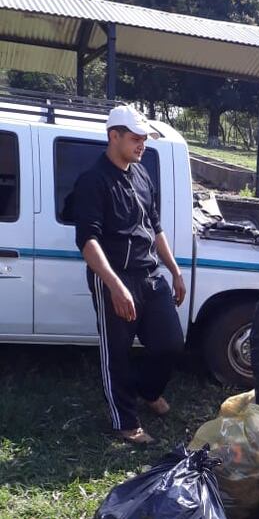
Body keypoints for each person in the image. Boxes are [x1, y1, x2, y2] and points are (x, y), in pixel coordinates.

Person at [73, 105, 186, 446]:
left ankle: (149, 391)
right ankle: (125, 421)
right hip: (114, 279)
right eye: (135, 139)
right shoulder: (93, 181)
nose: (142, 146)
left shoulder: (141, 174)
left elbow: (155, 226)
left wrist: (175, 271)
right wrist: (115, 286)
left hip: (150, 275)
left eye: (145, 139)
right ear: (114, 136)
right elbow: (87, 241)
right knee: (117, 352)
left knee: (170, 344)